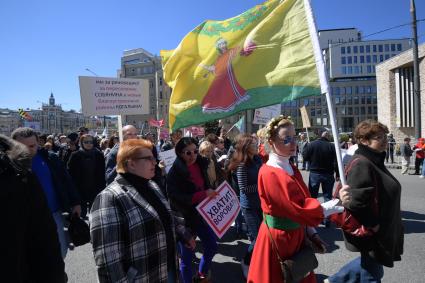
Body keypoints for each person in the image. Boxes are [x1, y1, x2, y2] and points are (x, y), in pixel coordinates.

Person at [247, 115, 343, 283]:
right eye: (286, 139)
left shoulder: (291, 167)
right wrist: (331, 206)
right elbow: (295, 209)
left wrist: (311, 232)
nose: (293, 143)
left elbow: (304, 200)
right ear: (271, 142)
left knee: (298, 274)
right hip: (279, 239)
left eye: (294, 137)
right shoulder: (269, 172)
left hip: (296, 234)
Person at [90, 139, 194, 282]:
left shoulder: (152, 185)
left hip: (167, 270)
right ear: (131, 163)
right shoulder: (109, 198)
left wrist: (182, 232)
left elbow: (165, 216)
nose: (155, 162)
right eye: (149, 158)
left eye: (154, 157)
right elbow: (109, 263)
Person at [327, 120, 403, 283]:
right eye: (378, 137)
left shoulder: (374, 159)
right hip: (373, 231)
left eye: (384, 136)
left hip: (381, 229)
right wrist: (373, 224)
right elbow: (355, 201)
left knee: (370, 265)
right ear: (363, 141)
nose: (384, 140)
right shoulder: (362, 163)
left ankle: (335, 280)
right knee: (372, 274)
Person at [0, 134, 66, 283]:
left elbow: (44, 239)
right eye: (27, 145)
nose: (32, 149)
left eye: (33, 145)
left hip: (53, 212)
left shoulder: (19, 172)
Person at [11, 127, 81, 258]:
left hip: (53, 215)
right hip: (21, 219)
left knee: (59, 252)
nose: (27, 150)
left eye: (32, 146)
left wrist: (76, 202)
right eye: (21, 146)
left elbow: (66, 181)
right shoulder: (6, 165)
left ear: (39, 143)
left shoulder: (50, 158)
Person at [166, 137, 219, 283]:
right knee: (187, 259)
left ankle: (201, 274)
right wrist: (202, 194)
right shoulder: (174, 173)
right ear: (179, 153)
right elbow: (175, 198)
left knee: (212, 246)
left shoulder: (201, 164)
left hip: (202, 215)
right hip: (185, 219)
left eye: (195, 151)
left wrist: (210, 192)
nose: (193, 155)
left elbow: (205, 186)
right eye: (188, 153)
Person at [227, 134, 263, 278]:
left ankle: (257, 262)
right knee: (257, 239)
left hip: (260, 204)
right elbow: (244, 188)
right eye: (254, 144)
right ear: (246, 147)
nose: (256, 146)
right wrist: (262, 185)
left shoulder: (257, 159)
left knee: (261, 236)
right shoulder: (241, 165)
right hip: (248, 206)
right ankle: (246, 262)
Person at [303, 131, 338, 226]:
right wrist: (337, 173)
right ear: (327, 136)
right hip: (328, 174)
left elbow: (305, 157)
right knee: (328, 198)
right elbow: (336, 161)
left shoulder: (312, 145)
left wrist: (311, 159)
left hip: (315, 173)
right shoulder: (331, 146)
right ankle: (327, 220)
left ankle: (312, 218)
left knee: (313, 197)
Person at [67, 134, 106, 218]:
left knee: (95, 215)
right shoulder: (75, 155)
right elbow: (70, 174)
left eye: (91, 142)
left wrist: (102, 189)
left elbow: (102, 174)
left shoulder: (99, 155)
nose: (89, 144)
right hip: (80, 191)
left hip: (95, 190)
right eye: (86, 142)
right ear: (81, 143)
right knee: (81, 216)